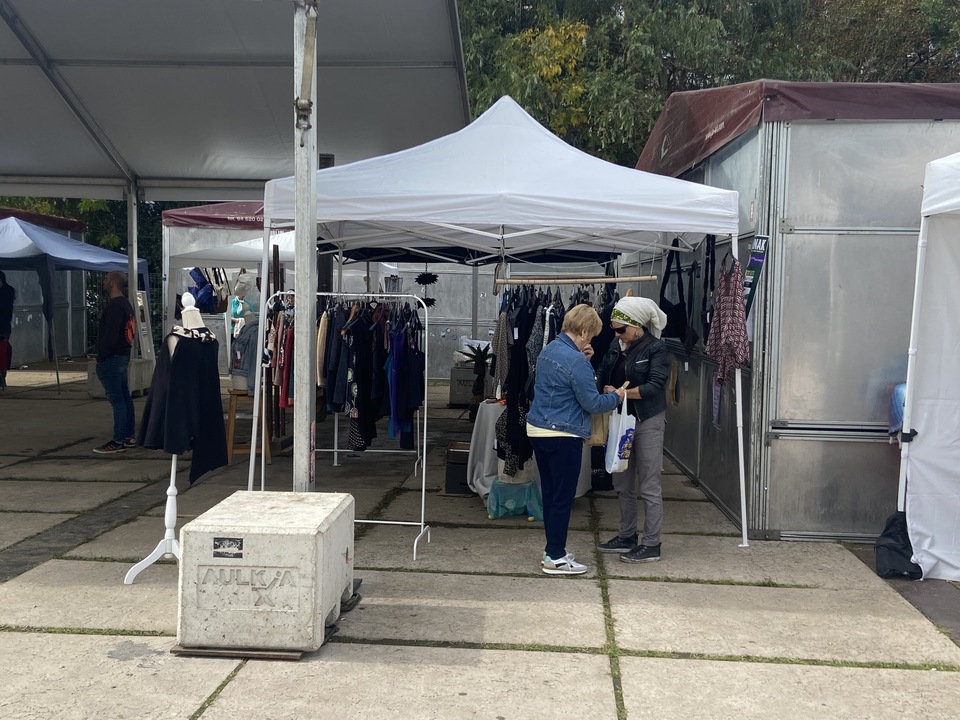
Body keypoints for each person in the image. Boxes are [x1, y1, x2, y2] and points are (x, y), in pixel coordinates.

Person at [526, 304, 626, 575]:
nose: (590, 340)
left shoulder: (548, 350)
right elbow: (592, 402)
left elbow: (564, 385)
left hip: (538, 430)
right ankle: (556, 557)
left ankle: (551, 550)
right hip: (563, 434)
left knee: (551, 495)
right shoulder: (576, 361)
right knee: (562, 498)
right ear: (583, 331)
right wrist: (617, 396)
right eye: (590, 335)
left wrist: (585, 360)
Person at [596, 296, 670, 563]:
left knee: (649, 483)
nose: (617, 334)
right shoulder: (616, 345)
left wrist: (620, 393)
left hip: (647, 420)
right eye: (614, 329)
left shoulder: (656, 348)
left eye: (621, 329)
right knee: (622, 481)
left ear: (637, 326)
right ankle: (627, 535)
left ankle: (651, 543)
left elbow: (655, 386)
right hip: (621, 419)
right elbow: (603, 370)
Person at [93, 271, 136, 454]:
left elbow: (111, 335)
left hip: (112, 357)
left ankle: (118, 439)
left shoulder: (114, 307)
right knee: (124, 396)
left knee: (117, 399)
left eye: (106, 279)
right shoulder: (126, 305)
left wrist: (101, 356)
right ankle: (128, 436)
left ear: (112, 282)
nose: (103, 281)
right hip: (123, 355)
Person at [0, 270, 15, 389]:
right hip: (4, 327)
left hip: (4, 327)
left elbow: (7, 312)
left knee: (3, 353)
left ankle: (2, 376)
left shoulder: (8, 291)